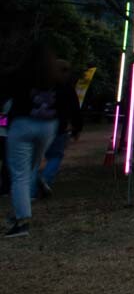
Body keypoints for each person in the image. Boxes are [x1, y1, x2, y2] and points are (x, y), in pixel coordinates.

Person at [2, 43, 64, 238]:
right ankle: (19, 211)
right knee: (30, 169)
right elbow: (65, 103)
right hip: (48, 127)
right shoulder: (56, 78)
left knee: (19, 174)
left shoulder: (18, 75)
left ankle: (22, 220)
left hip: (22, 125)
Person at [37, 61, 83, 197]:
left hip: (38, 124)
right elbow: (75, 109)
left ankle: (33, 186)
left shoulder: (41, 85)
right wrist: (77, 127)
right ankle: (45, 178)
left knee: (35, 157)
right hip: (58, 126)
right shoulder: (67, 88)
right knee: (56, 155)